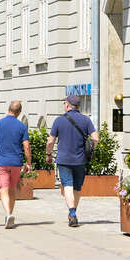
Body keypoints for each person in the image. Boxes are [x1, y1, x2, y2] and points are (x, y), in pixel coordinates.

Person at [46, 95, 99, 227]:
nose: (64, 105)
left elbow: (50, 141)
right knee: (77, 187)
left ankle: (72, 213)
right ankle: (73, 213)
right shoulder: (86, 120)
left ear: (68, 105)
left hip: (64, 160)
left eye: (64, 103)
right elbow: (96, 138)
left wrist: (48, 154)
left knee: (67, 186)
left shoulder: (59, 120)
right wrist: (90, 150)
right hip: (80, 160)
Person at [0, 101, 31, 229]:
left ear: (8, 109)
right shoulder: (22, 126)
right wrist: (29, 163)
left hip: (2, 163)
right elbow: (26, 146)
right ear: (19, 112)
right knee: (12, 189)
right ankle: (10, 214)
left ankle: (8, 214)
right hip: (16, 162)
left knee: (3, 189)